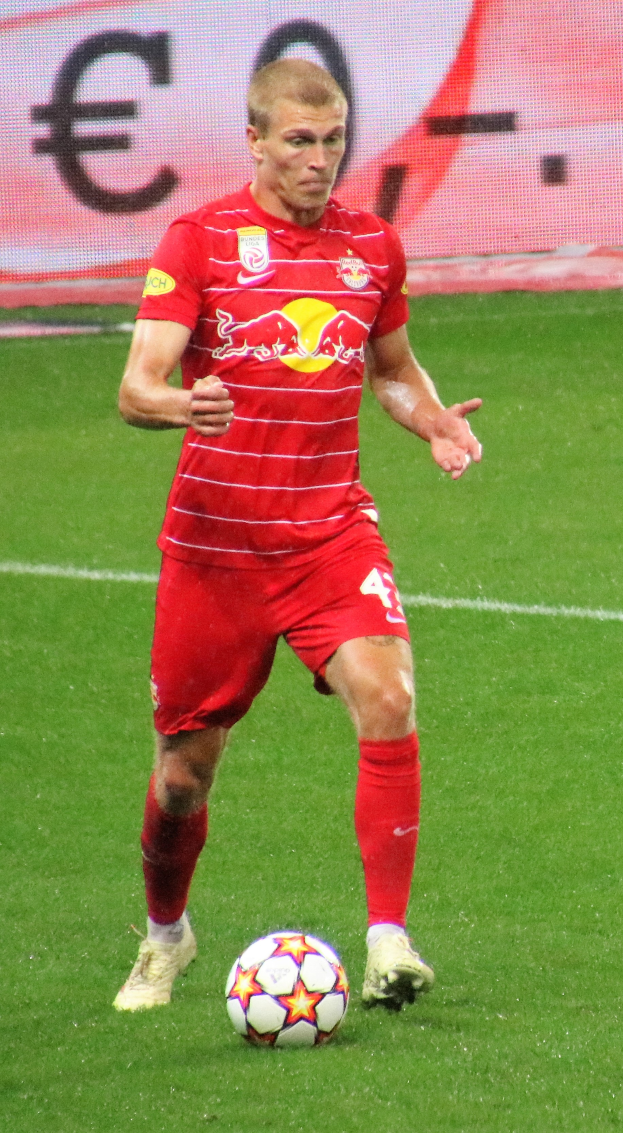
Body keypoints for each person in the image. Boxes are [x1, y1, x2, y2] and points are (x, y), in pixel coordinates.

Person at [113, 58, 481, 1014]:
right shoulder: (200, 241)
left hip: (328, 536)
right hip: (215, 550)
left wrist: (432, 419)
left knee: (390, 696)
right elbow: (136, 384)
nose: (321, 160)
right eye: (299, 141)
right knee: (184, 776)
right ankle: (165, 936)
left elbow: (391, 367)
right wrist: (177, 401)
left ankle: (389, 940)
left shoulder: (373, 247)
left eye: (333, 139)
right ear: (256, 141)